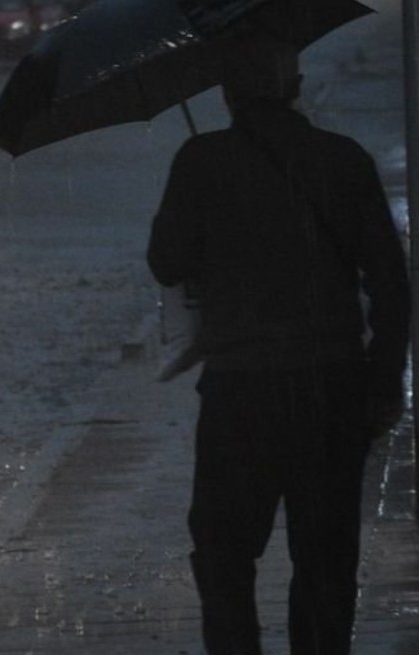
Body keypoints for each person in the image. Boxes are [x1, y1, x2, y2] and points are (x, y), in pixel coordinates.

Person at [147, 34, 410, 655]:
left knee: (224, 552)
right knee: (324, 559)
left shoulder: (201, 162)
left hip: (241, 391)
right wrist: (383, 385)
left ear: (227, 93)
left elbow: (166, 262)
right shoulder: (342, 160)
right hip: (331, 386)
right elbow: (391, 285)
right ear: (295, 86)